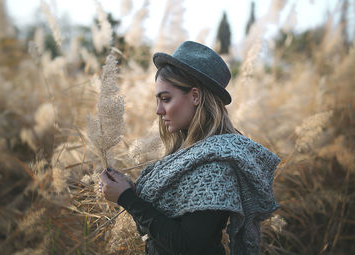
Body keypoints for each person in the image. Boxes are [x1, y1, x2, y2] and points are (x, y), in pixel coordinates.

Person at [99, 41, 280, 255]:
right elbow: (161, 227)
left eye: (165, 99)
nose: (158, 110)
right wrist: (132, 192)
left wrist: (127, 199)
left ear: (195, 96)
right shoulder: (188, 154)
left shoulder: (216, 164)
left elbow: (186, 246)